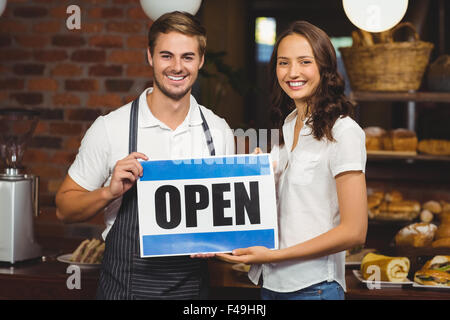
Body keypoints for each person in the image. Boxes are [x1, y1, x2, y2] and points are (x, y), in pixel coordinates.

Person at [55, 11, 235, 300]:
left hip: (193, 293)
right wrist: (108, 192)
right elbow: (65, 208)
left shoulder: (218, 131)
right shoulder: (110, 128)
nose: (177, 67)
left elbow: (228, 227)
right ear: (150, 56)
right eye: (166, 56)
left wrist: (219, 240)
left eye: (187, 57)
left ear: (200, 61)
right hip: (124, 290)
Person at [217, 20, 367, 300]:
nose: (293, 72)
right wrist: (256, 177)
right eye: (283, 63)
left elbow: (355, 231)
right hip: (271, 285)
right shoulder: (287, 127)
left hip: (315, 288)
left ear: (324, 67)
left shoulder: (344, 132)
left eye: (304, 62)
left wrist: (277, 255)